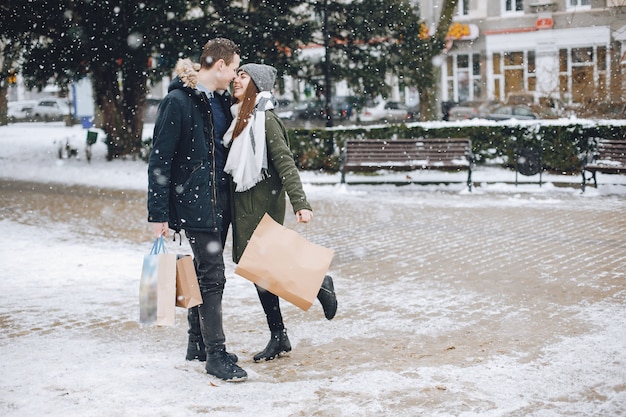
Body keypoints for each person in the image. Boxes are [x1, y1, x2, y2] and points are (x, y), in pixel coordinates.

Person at [146, 38, 247, 381]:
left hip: (217, 202)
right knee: (212, 276)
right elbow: (159, 160)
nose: (236, 74)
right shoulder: (178, 101)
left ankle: (197, 343)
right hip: (195, 203)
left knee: (202, 274)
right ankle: (216, 355)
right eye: (234, 67)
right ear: (219, 65)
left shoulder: (218, 101)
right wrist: (158, 214)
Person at [223, 63, 338, 362]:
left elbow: (286, 163)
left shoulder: (266, 121)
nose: (236, 80)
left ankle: (319, 283)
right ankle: (280, 336)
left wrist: (301, 203)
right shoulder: (241, 118)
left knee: (264, 268)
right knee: (261, 272)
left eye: (243, 76)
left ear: (257, 84)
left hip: (261, 206)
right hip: (244, 208)